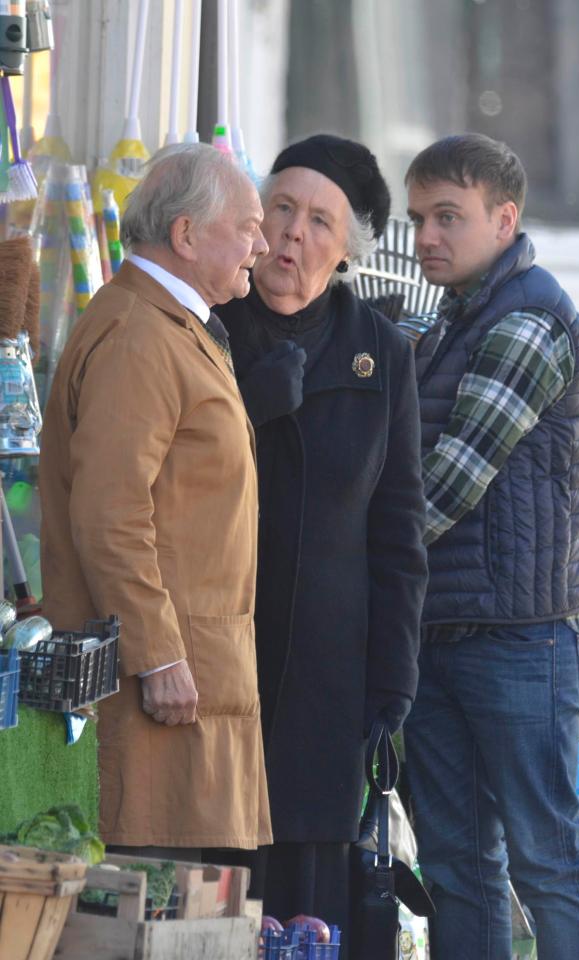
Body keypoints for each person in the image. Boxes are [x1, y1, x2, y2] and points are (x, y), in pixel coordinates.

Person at [215, 134, 428, 949]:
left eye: (319, 222)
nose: (293, 234)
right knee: (217, 867)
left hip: (327, 673)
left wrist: (393, 678)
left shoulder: (383, 353)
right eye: (281, 208)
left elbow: (399, 531)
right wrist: (248, 407)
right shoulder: (209, 323)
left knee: (307, 889)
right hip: (216, 656)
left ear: (344, 253)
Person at [402, 133, 579, 960]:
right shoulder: (457, 316)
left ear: (505, 217)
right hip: (447, 628)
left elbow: (444, 487)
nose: (425, 238)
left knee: (545, 860)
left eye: (448, 217)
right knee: (457, 865)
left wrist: (344, 564)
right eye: (418, 218)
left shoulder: (525, 319)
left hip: (523, 638)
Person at [38, 143, 272, 859]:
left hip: (191, 674)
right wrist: (158, 654)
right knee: (147, 898)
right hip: (157, 684)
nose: (262, 246)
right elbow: (111, 514)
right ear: (186, 235)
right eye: (249, 225)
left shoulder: (164, 324)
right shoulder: (141, 334)